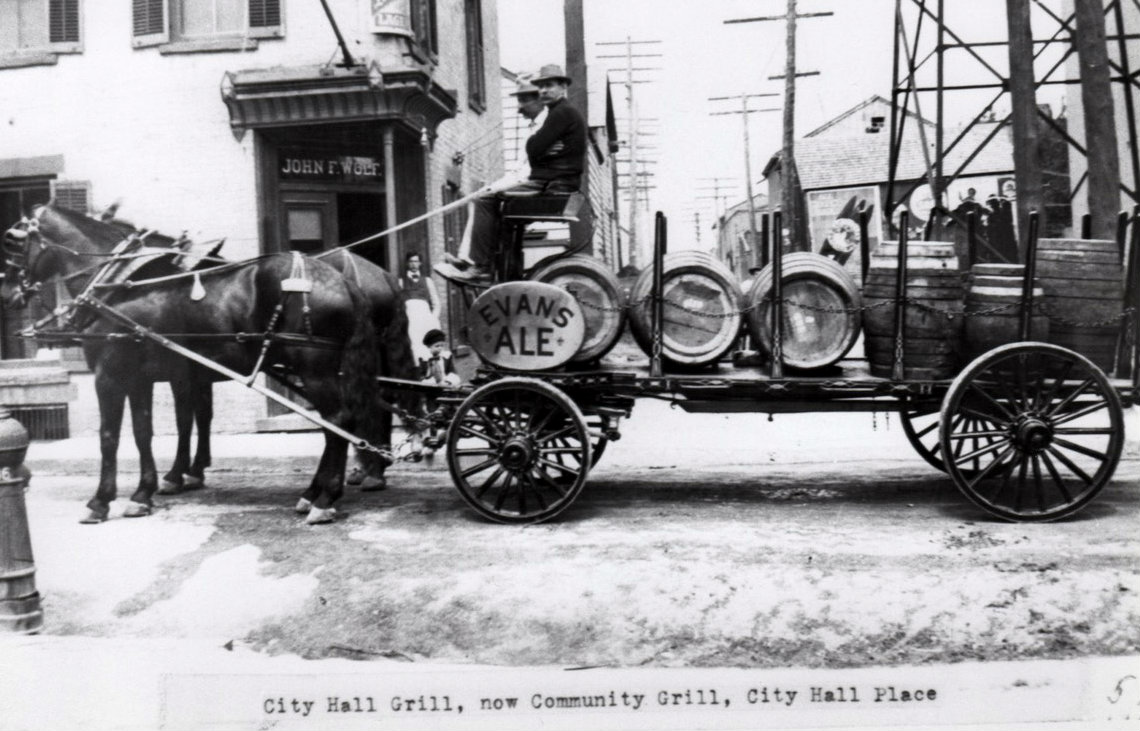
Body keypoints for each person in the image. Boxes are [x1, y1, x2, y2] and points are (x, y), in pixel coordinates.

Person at [441, 64, 587, 283]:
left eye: (549, 85)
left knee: (485, 199)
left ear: (563, 86)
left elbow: (534, 148)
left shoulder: (562, 113)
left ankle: (482, 267)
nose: (544, 91)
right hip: (554, 181)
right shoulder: (559, 113)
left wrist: (540, 147)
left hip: (552, 184)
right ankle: (484, 263)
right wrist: (543, 147)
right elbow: (537, 149)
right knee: (495, 202)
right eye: (541, 87)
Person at [415, 328, 461, 458]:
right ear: (429, 347)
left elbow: (453, 372)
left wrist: (448, 381)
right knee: (432, 416)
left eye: (441, 345)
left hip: (446, 390)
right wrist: (428, 381)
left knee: (450, 413)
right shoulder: (424, 360)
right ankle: (430, 443)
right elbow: (420, 376)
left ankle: (448, 438)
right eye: (436, 346)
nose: (440, 348)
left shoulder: (446, 358)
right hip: (431, 393)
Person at [400, 251, 441, 361]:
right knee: (413, 346)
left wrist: (432, 319)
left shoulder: (427, 281)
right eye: (411, 261)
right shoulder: (401, 282)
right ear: (407, 264)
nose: (414, 264)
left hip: (425, 320)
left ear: (420, 263)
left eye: (416, 261)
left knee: (428, 347)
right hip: (411, 320)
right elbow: (398, 304)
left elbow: (436, 303)